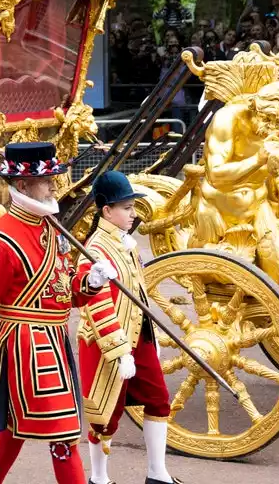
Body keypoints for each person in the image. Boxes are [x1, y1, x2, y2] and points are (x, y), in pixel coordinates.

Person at [0, 143, 110, 484]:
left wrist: (89, 282)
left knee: (15, 427)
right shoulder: (2, 239)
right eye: (47, 178)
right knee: (64, 433)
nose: (55, 183)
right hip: (26, 347)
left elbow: (62, 291)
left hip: (54, 341)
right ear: (24, 185)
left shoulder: (51, 227)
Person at [75, 170, 180, 484]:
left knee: (159, 400)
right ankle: (99, 478)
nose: (133, 214)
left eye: (133, 207)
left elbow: (140, 292)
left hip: (139, 336)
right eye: (127, 208)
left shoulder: (127, 244)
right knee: (105, 416)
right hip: (106, 344)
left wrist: (152, 335)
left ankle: (157, 474)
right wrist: (121, 352)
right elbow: (98, 306)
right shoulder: (94, 250)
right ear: (107, 211)